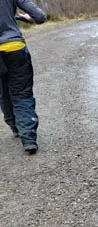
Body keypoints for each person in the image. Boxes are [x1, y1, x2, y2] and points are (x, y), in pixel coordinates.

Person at [0, 0, 47, 154]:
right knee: (21, 93)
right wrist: (19, 17)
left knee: (2, 91)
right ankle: (27, 136)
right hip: (14, 46)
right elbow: (40, 17)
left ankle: (15, 127)